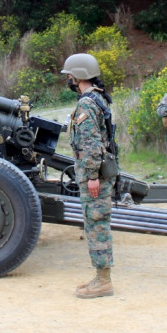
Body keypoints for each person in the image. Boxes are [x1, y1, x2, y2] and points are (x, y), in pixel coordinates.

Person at [62, 53, 117, 299]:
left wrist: (92, 176)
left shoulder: (86, 103)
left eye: (70, 75)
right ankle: (100, 277)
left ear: (78, 76)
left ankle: (103, 281)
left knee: (96, 224)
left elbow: (93, 145)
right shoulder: (98, 98)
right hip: (97, 171)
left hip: (94, 174)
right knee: (96, 222)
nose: (69, 79)